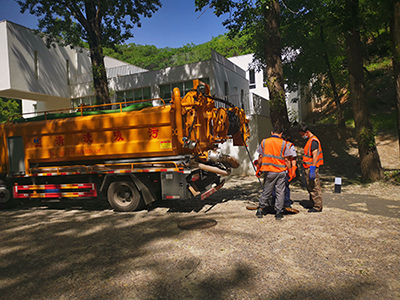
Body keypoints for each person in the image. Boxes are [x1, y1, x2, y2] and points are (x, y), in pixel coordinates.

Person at [255, 126, 291, 220]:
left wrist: (258, 168)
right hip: (281, 171)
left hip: (269, 171)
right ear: (281, 134)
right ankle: (278, 212)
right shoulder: (284, 143)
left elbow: (260, 157)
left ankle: (260, 209)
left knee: (267, 190)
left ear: (272, 133)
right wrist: (290, 171)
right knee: (280, 191)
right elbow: (287, 160)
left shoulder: (264, 142)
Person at [298, 123, 324, 212]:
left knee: (314, 187)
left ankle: (317, 206)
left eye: (302, 134)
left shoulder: (313, 141)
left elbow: (315, 155)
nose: (302, 136)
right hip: (307, 167)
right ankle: (312, 203)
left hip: (311, 168)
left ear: (307, 132)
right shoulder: (310, 140)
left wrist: (312, 168)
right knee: (310, 186)